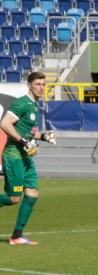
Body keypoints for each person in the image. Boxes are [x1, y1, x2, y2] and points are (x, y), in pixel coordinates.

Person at [0, 72, 56, 245]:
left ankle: (17, 236)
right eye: (37, 84)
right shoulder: (23, 103)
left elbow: (29, 132)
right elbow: (5, 123)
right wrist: (23, 141)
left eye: (43, 84)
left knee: (32, 194)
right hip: (13, 156)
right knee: (14, 198)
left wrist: (44, 136)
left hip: (26, 158)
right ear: (29, 86)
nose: (41, 87)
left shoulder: (35, 106)